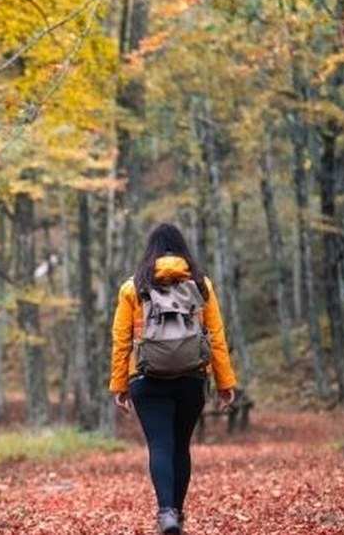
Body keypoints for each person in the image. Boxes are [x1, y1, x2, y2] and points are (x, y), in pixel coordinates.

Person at [110, 223, 236, 534]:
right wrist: (225, 382)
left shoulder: (133, 286)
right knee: (181, 445)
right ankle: (176, 515)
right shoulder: (201, 284)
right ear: (182, 249)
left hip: (146, 377)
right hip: (191, 377)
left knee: (160, 445)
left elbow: (121, 339)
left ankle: (165, 512)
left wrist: (119, 384)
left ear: (150, 250)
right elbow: (216, 336)